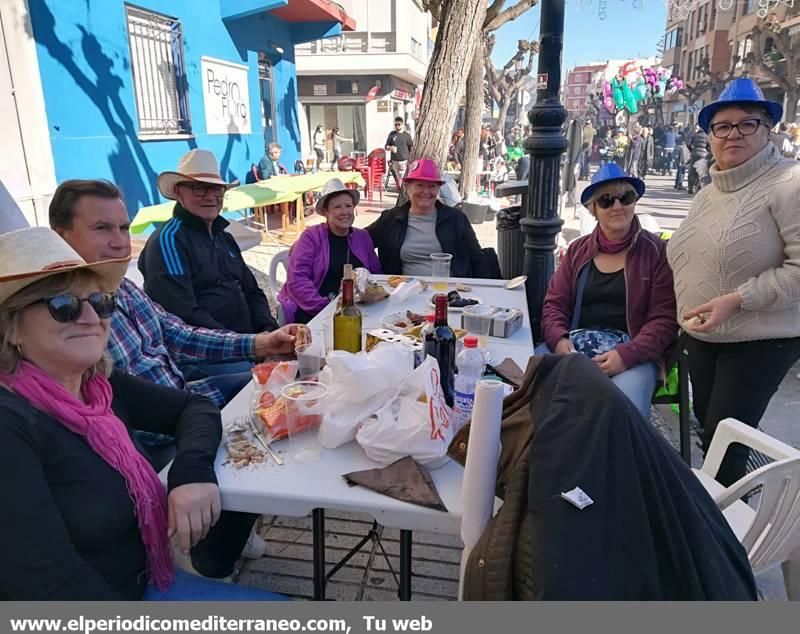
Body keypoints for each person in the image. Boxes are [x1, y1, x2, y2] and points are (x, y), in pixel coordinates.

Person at [0, 227, 287, 600]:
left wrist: (190, 472)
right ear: (11, 328)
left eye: (102, 303)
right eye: (63, 306)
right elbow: (48, 587)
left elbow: (193, 406)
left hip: (149, 578)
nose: (91, 317)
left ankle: (215, 556)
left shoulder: (96, 384)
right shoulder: (11, 427)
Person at [50, 179, 301, 408]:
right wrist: (254, 352)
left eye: (124, 228)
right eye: (102, 228)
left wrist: (264, 338)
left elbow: (179, 332)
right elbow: (185, 315)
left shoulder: (123, 286)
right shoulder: (61, 312)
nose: (120, 242)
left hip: (185, 391)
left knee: (291, 381)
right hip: (168, 422)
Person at [667, 78, 800, 486]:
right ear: (709, 136)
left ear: (767, 129)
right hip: (703, 337)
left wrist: (738, 299)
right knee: (715, 433)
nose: (733, 134)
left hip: (759, 339)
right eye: (722, 126)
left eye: (747, 124)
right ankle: (726, 513)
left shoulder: (789, 183)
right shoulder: (708, 192)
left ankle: (720, 538)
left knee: (728, 439)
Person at [540, 163, 677, 417]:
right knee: (534, 390)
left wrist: (626, 355)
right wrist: (560, 341)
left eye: (625, 197)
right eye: (606, 200)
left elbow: (664, 320)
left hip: (635, 355)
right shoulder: (577, 251)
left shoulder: (657, 252)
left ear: (634, 202)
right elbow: (554, 304)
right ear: (594, 209)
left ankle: (617, 457)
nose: (617, 206)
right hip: (576, 348)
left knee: (623, 411)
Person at [139, 150, 279, 340]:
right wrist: (251, 346)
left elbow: (252, 291)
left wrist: (267, 330)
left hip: (248, 345)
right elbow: (183, 316)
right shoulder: (168, 242)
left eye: (216, 188)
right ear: (178, 192)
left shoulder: (224, 237)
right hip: (208, 359)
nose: (210, 196)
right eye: (199, 188)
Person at [278, 178, 381, 324]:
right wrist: (326, 308)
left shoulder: (362, 237)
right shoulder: (311, 237)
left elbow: (376, 273)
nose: (344, 212)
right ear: (326, 212)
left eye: (348, 206)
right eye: (337, 207)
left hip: (359, 309)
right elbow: (297, 280)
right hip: (316, 311)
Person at [366, 159, 490, 278]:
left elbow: (477, 257)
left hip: (450, 291)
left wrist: (484, 292)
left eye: (432, 186)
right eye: (419, 185)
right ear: (407, 187)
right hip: (405, 292)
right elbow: (359, 240)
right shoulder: (390, 219)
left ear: (438, 189)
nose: (426, 191)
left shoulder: (456, 218)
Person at [384, 117, 413, 191]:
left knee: (404, 177)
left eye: (399, 124)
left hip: (404, 160)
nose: (397, 126)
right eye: (395, 125)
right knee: (399, 178)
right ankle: (403, 192)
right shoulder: (392, 134)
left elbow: (411, 148)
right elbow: (386, 146)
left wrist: (411, 159)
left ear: (402, 125)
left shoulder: (407, 135)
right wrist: (390, 148)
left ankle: (405, 191)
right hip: (395, 161)